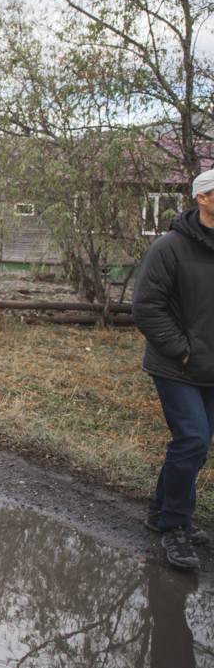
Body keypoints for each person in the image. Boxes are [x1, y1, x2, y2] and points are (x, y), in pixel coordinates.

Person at [133, 169, 214, 570]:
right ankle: (176, 529)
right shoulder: (169, 247)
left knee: (196, 446)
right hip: (176, 364)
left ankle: (160, 509)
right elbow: (147, 307)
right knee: (193, 438)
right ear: (202, 198)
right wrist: (181, 351)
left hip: (212, 366)